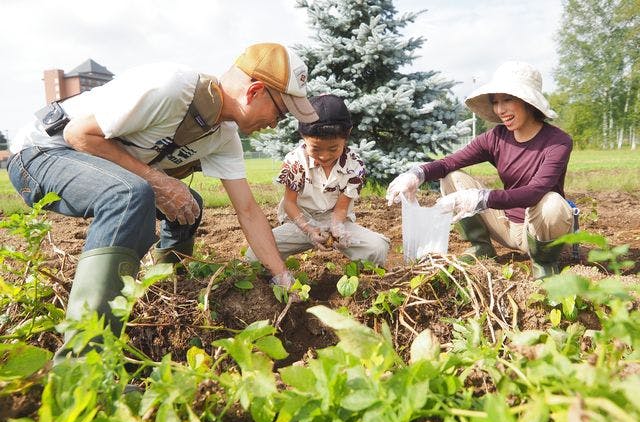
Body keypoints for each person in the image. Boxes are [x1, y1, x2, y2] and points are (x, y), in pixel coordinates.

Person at [7, 42, 319, 360]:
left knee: (188, 206)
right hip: (41, 153)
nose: (275, 124)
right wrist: (158, 180)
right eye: (280, 113)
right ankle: (85, 360)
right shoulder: (172, 88)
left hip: (87, 159)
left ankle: (163, 291)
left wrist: (283, 276)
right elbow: (78, 135)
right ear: (253, 92)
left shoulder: (223, 136)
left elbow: (249, 211)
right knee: (130, 195)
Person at [386, 61, 574, 279]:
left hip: (536, 229)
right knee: (451, 177)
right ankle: (481, 248)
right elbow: (449, 163)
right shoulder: (496, 137)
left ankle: (544, 264)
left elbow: (534, 191)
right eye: (495, 102)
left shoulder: (557, 142)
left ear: (527, 101)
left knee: (553, 204)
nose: (500, 109)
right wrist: (416, 174)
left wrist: (481, 198)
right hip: (506, 226)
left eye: (508, 99)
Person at [246, 94, 389, 266]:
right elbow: (289, 204)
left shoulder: (354, 166)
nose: (324, 155)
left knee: (378, 248)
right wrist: (308, 229)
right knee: (254, 254)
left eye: (333, 148)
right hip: (300, 222)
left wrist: (337, 229)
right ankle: (270, 279)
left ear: (347, 135)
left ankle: (365, 280)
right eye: (315, 148)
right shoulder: (295, 162)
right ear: (302, 136)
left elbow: (341, 208)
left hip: (337, 222)